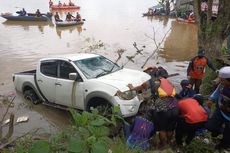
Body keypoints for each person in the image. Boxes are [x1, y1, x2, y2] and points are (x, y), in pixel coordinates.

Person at [206, 66, 230, 150]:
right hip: (220, 111)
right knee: (210, 126)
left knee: (227, 139)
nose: (220, 81)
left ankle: (223, 145)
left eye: (222, 80)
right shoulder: (222, 85)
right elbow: (217, 92)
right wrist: (211, 99)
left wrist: (226, 108)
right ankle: (221, 130)